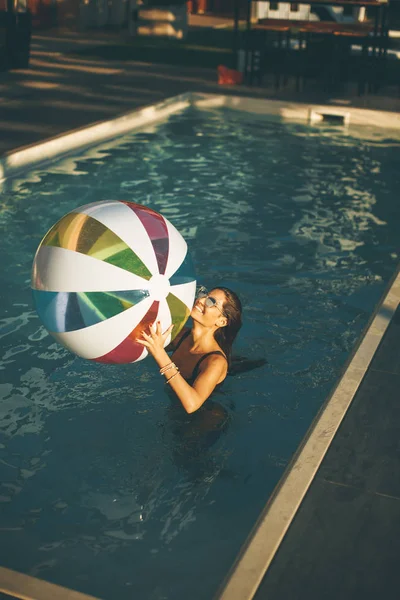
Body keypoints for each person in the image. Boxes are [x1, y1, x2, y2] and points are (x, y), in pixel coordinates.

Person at [137, 286, 242, 414]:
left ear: (222, 321)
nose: (201, 300)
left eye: (211, 302)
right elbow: (144, 337)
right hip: (173, 408)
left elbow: (192, 404)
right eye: (204, 294)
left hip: (204, 419)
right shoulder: (181, 335)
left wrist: (160, 354)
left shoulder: (215, 362)